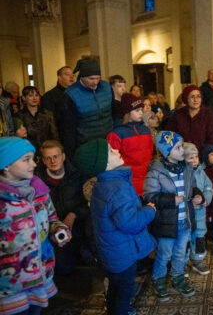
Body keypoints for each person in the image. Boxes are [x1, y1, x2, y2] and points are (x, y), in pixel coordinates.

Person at [74, 138, 156, 315]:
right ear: (102, 163)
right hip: (123, 253)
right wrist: (149, 211)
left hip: (110, 251)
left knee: (115, 287)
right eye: (111, 151)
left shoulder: (101, 185)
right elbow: (130, 223)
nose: (117, 151)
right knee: (125, 290)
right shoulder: (117, 188)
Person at [0, 137, 71, 315]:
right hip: (11, 286)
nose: (33, 164)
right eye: (26, 160)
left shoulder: (39, 190)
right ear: (6, 165)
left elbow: (52, 218)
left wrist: (58, 229)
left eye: (33, 158)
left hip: (40, 275)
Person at [143, 131, 199, 301]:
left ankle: (178, 277)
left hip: (185, 220)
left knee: (180, 253)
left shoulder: (187, 168)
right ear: (166, 152)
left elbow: (193, 187)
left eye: (182, 146)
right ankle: (158, 279)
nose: (182, 150)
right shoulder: (156, 171)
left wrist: (198, 195)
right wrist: (170, 200)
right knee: (165, 253)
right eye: (177, 147)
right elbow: (149, 196)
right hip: (167, 223)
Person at [35, 140, 91, 275]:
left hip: (77, 226)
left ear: (63, 156)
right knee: (65, 269)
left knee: (87, 260)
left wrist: (73, 214)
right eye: (48, 158)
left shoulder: (76, 175)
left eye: (56, 156)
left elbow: (88, 202)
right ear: (43, 161)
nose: (53, 161)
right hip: (53, 232)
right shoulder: (37, 180)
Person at [59, 57, 113, 158]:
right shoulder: (71, 95)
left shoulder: (106, 87)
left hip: (109, 143)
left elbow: (114, 113)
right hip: (86, 146)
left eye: (98, 78)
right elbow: (67, 129)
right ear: (82, 77)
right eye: (91, 79)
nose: (95, 82)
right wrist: (71, 154)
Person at [107, 93, 153, 196]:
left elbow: (150, 152)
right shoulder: (117, 133)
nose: (141, 113)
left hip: (145, 180)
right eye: (137, 110)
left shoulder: (146, 130)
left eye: (141, 110)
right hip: (128, 181)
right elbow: (112, 160)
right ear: (127, 113)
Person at [183, 142, 213, 275]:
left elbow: (208, 187)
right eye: (190, 158)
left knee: (199, 237)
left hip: (200, 213)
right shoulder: (182, 174)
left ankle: (198, 260)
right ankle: (182, 263)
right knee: (185, 239)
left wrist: (205, 198)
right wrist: (190, 202)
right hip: (186, 214)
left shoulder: (202, 172)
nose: (194, 160)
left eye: (196, 157)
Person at [166, 85, 213, 151]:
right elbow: (170, 135)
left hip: (201, 154)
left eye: (198, 96)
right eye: (192, 97)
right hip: (181, 153)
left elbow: (212, 139)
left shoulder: (208, 114)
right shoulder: (178, 115)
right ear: (186, 99)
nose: (196, 100)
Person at [17, 86, 59, 153]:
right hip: (28, 151)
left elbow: (54, 135)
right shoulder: (19, 116)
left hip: (46, 150)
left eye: (37, 95)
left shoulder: (47, 114)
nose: (34, 98)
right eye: (30, 95)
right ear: (24, 98)